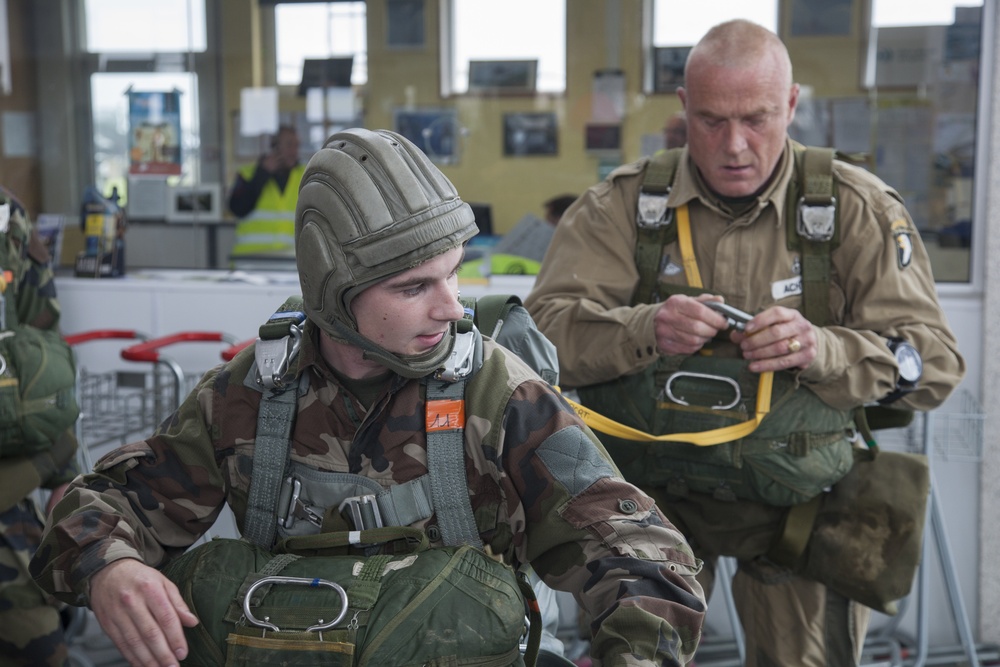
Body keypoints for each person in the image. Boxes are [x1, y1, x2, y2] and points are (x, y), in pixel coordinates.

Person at [30, 128, 706, 667]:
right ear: (336, 293)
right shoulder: (255, 394)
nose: (450, 307)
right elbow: (97, 506)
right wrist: (108, 568)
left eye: (453, 273)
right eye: (413, 286)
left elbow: (639, 549)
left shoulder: (498, 393)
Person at [525, 19, 965, 667]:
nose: (734, 145)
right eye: (710, 120)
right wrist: (645, 328)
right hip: (652, 500)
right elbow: (537, 340)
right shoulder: (624, 206)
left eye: (756, 119)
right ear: (683, 109)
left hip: (798, 503)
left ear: (790, 105)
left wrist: (826, 350)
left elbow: (933, 363)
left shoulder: (855, 208)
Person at [0, 186, 80, 666]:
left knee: (42, 648)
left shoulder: (9, 220)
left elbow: (39, 352)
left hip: (10, 503)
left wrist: (61, 472)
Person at [227, 124, 304, 259]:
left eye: (297, 146)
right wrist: (262, 174)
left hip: (291, 260)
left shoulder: (305, 175)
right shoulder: (248, 174)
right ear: (274, 147)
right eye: (289, 145)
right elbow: (237, 209)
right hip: (251, 259)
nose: (294, 151)